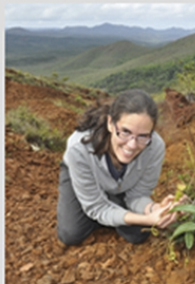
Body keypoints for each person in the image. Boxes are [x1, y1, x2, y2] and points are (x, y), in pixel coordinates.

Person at [56, 89, 186, 245]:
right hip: (83, 172)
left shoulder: (155, 147)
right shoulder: (79, 148)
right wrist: (145, 219)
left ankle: (113, 204)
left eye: (143, 136)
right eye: (125, 132)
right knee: (71, 234)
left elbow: (138, 195)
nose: (132, 145)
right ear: (111, 124)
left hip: (119, 185)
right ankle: (111, 205)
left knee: (138, 235)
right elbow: (96, 206)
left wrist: (155, 209)